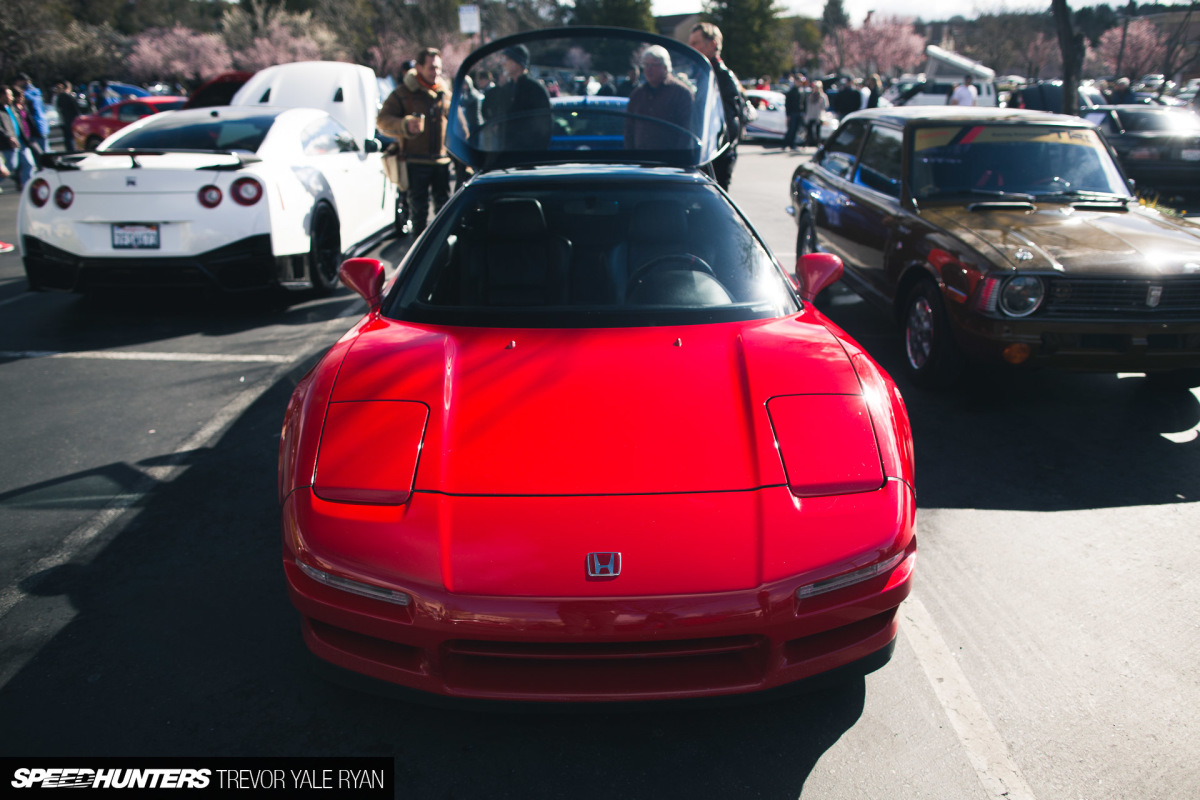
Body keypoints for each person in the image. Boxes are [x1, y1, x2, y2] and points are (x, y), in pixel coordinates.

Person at [377, 47, 453, 236]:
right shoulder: (403, 93)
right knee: (419, 213)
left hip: (442, 162)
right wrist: (404, 124)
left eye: (438, 68)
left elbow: (458, 125)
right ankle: (420, 251)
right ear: (419, 68)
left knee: (445, 212)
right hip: (415, 162)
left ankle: (443, 249)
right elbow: (382, 120)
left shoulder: (445, 93)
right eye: (431, 68)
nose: (436, 72)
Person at [688, 22, 749, 190]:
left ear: (712, 44)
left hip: (715, 161)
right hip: (705, 158)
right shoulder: (706, 75)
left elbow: (730, 124)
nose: (691, 48)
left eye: (695, 43)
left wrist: (715, 156)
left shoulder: (722, 77)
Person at [480, 45, 551, 152]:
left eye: (506, 59)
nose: (503, 63)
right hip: (506, 153)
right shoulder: (506, 89)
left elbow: (545, 127)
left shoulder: (535, 90)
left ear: (517, 63)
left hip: (528, 154)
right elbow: (490, 108)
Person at [624, 46, 694, 150]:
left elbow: (687, 131)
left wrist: (678, 156)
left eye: (653, 65)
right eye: (646, 65)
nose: (648, 69)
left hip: (670, 157)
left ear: (665, 67)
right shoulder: (637, 94)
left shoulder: (681, 93)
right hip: (641, 157)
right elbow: (629, 130)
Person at [13, 74, 49, 154]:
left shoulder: (25, 94)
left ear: (22, 81)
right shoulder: (37, 92)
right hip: (43, 124)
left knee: (40, 154)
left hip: (34, 126)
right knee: (45, 150)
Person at [781, 75, 807, 150]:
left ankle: (792, 144)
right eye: (798, 81)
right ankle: (785, 144)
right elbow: (788, 104)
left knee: (796, 130)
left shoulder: (802, 91)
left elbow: (804, 103)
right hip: (793, 113)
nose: (799, 83)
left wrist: (804, 112)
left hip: (799, 112)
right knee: (791, 130)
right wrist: (788, 115)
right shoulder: (791, 91)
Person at [54, 81, 80, 153]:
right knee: (71, 137)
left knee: (67, 138)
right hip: (70, 120)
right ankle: (73, 151)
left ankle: (69, 151)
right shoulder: (68, 96)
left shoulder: (58, 97)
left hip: (63, 120)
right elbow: (76, 108)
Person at [805, 80, 829, 147]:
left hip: (818, 115)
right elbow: (807, 106)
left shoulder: (822, 96)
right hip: (810, 115)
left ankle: (818, 143)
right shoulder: (810, 95)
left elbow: (825, 106)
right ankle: (807, 143)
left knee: (818, 130)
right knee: (809, 130)